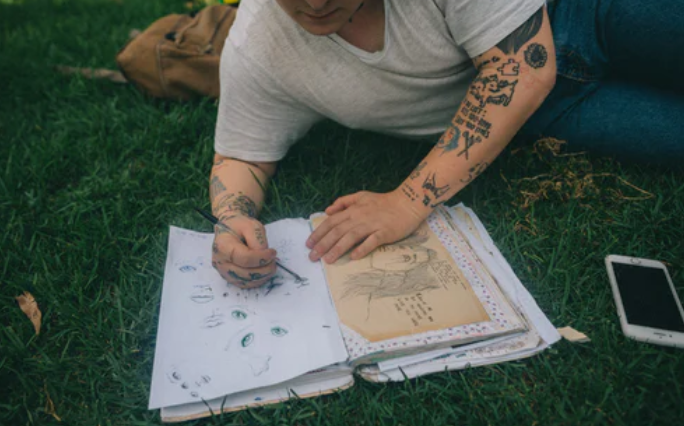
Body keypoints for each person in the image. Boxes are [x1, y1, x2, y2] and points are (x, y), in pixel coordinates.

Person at [208, 0, 684, 289]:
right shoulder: (258, 43)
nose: (314, 3)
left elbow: (521, 66)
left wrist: (406, 202)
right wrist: (232, 220)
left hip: (583, 11)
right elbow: (242, 154)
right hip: (548, 114)